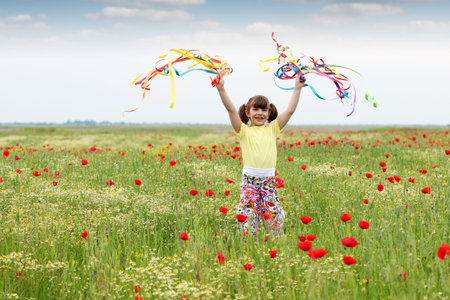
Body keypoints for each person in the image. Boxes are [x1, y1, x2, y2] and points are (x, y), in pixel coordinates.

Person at [215, 73, 305, 236]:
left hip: (269, 179)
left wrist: (297, 88)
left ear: (269, 114)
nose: (260, 113)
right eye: (255, 109)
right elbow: (231, 109)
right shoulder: (243, 130)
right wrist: (221, 89)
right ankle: (248, 242)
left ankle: (275, 241)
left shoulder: (273, 128)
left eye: (264, 110)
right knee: (248, 214)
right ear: (248, 112)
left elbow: (290, 110)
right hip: (249, 179)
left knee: (273, 214)